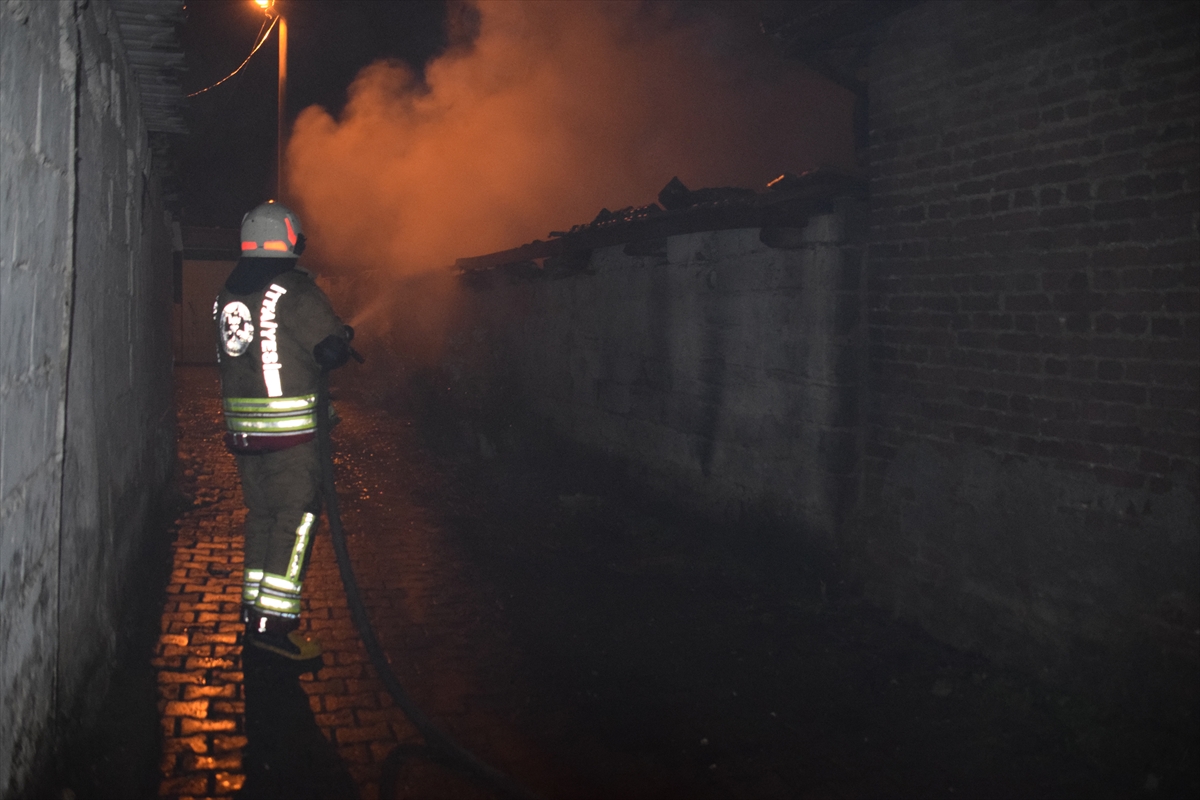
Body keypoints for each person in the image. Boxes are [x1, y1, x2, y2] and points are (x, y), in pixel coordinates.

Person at [214, 200, 354, 660]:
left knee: (263, 517)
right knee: (294, 522)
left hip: (246, 435)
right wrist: (342, 339)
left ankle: (254, 613)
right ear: (292, 238)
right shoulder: (294, 291)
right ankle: (274, 629)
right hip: (291, 439)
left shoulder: (230, 293)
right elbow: (327, 351)